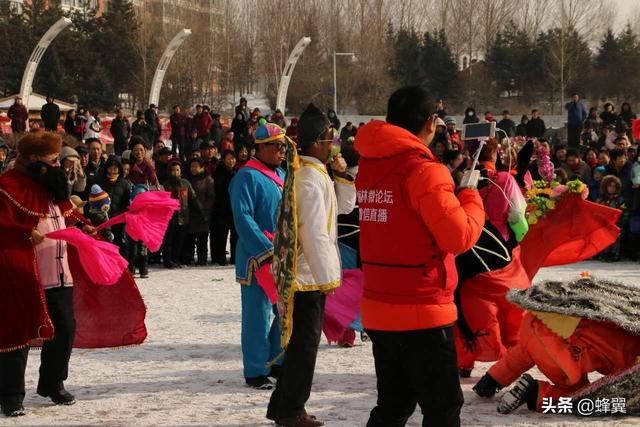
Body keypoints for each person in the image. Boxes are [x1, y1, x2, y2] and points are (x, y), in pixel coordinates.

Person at [354, 86, 485, 426]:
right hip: (422, 308)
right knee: (442, 408)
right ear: (430, 123)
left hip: (379, 305)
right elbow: (460, 237)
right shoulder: (424, 170)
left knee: (393, 405)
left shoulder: (371, 164)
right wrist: (470, 196)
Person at [267, 104, 356, 427]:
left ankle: (283, 405)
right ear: (317, 142)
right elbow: (315, 233)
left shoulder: (317, 173)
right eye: (330, 140)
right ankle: (291, 410)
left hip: (311, 275)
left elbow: (346, 207)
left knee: (302, 346)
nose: (334, 145)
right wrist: (328, 278)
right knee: (304, 348)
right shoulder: (307, 178)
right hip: (306, 278)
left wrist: (343, 174)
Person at [0, 131, 96, 416]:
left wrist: (84, 225)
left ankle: (52, 383)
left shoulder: (50, 184)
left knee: (65, 329)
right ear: (32, 159)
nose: (57, 164)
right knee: (19, 334)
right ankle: (10, 395)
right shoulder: (7, 185)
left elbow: (66, 212)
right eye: (52, 159)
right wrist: (24, 232)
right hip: (23, 273)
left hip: (58, 271)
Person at [473, 277, 640, 415]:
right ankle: (536, 394)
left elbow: (523, 352)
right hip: (561, 351)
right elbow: (611, 394)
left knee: (527, 350)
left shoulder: (630, 317)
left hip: (538, 316)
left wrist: (493, 378)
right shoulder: (634, 366)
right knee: (580, 395)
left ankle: (490, 381)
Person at [229, 123, 287, 390]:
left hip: (281, 255)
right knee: (257, 316)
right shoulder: (246, 177)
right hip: (257, 258)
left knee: (286, 312)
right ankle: (255, 371)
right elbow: (243, 219)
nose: (282, 150)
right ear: (261, 148)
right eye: (277, 146)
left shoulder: (283, 175)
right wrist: (266, 250)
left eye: (284, 145)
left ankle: (276, 360)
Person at [162, 160, 196, 268]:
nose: (175, 172)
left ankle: (176, 260)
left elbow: (193, 197)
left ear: (181, 172)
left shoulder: (185, 183)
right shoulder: (166, 185)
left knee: (179, 240)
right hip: (169, 217)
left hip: (183, 216)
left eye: (177, 170)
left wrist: (200, 211)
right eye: (173, 170)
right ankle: (167, 261)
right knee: (168, 241)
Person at [95, 155, 130, 251]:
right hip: (102, 220)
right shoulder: (99, 181)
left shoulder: (125, 184)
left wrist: (119, 216)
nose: (112, 171)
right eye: (110, 167)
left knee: (119, 245)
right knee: (104, 246)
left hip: (118, 221)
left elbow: (126, 204)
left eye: (115, 168)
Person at [210, 150, 238, 265]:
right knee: (221, 234)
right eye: (228, 158)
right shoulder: (219, 172)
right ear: (223, 159)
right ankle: (220, 257)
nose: (231, 161)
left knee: (235, 234)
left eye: (233, 158)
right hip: (221, 208)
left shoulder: (238, 172)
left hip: (235, 207)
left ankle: (234, 257)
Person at [184, 158, 214, 266]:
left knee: (202, 238)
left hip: (203, 213)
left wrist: (205, 209)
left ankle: (202, 258)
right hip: (190, 213)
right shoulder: (187, 179)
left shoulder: (208, 180)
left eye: (196, 166)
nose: (193, 168)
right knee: (189, 237)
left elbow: (211, 197)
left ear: (202, 167)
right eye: (192, 166)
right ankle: (188, 257)